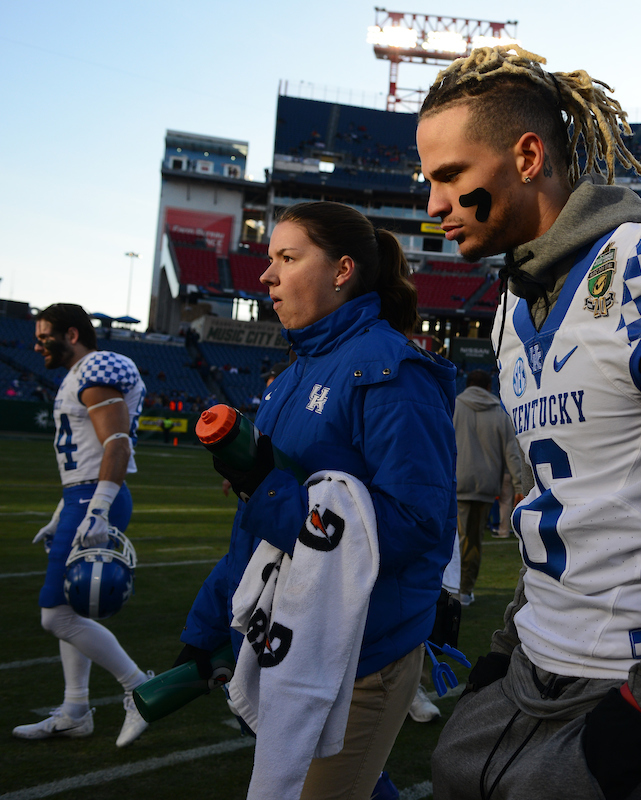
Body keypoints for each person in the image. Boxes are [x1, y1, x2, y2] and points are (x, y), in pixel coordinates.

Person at [417, 46, 641, 800]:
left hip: (631, 676)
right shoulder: (513, 304)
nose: (434, 206)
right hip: (536, 654)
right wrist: (507, 643)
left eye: (450, 177)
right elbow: (562, 504)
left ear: (526, 155)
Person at [177, 202, 458, 798]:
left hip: (359, 651)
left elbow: (416, 523)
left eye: (287, 257)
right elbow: (255, 539)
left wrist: (269, 488)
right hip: (289, 642)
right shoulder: (294, 374)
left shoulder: (392, 372)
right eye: (269, 259)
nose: (266, 275)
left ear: (341, 270)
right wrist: (204, 629)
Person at [14, 303, 152, 747]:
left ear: (71, 334)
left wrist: (96, 509)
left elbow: (117, 443)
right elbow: (84, 460)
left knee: (55, 616)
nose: (37, 346)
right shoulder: (77, 377)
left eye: (44, 337)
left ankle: (139, 688)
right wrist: (61, 514)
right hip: (80, 496)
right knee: (69, 612)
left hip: (96, 498)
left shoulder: (96, 369)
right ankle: (75, 710)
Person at [453, 369, 526, 606]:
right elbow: (512, 454)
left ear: (468, 384)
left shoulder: (454, 406)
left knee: (453, 540)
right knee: (472, 541)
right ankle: (464, 589)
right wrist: (519, 485)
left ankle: (450, 587)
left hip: (455, 483)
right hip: (484, 486)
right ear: (488, 386)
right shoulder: (499, 413)